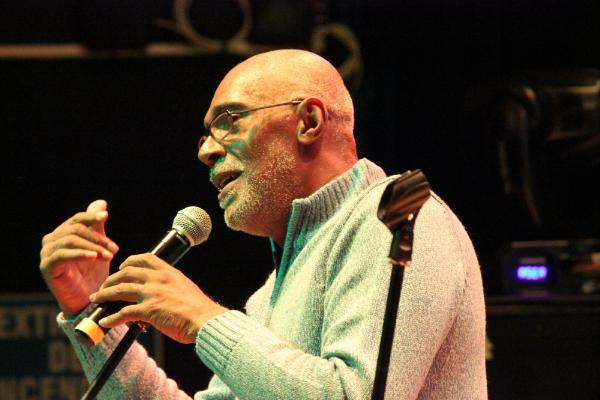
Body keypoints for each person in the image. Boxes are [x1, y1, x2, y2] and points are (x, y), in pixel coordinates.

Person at [39, 49, 487, 399]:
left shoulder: (399, 213)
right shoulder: (273, 290)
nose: (206, 151)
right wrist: (88, 312)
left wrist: (204, 319)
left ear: (309, 121)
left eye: (229, 121)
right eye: (206, 133)